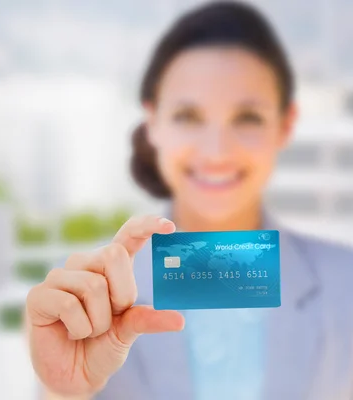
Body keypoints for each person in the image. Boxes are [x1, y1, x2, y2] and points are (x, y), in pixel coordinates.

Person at [25, 2, 353, 400]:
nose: (216, 151)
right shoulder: (84, 300)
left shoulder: (345, 284)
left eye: (247, 118)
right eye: (188, 116)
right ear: (153, 124)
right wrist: (62, 392)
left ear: (285, 126)